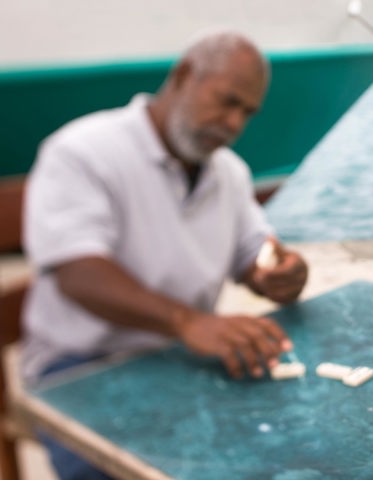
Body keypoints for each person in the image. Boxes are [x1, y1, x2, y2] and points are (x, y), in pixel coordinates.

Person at [21, 30, 308, 479]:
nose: (233, 123)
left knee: (285, 447)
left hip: (180, 355)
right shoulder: (82, 151)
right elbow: (78, 271)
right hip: (79, 368)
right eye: (227, 100)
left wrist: (280, 273)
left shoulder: (230, 173)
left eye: (246, 112)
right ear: (183, 76)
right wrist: (189, 322)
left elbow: (256, 253)